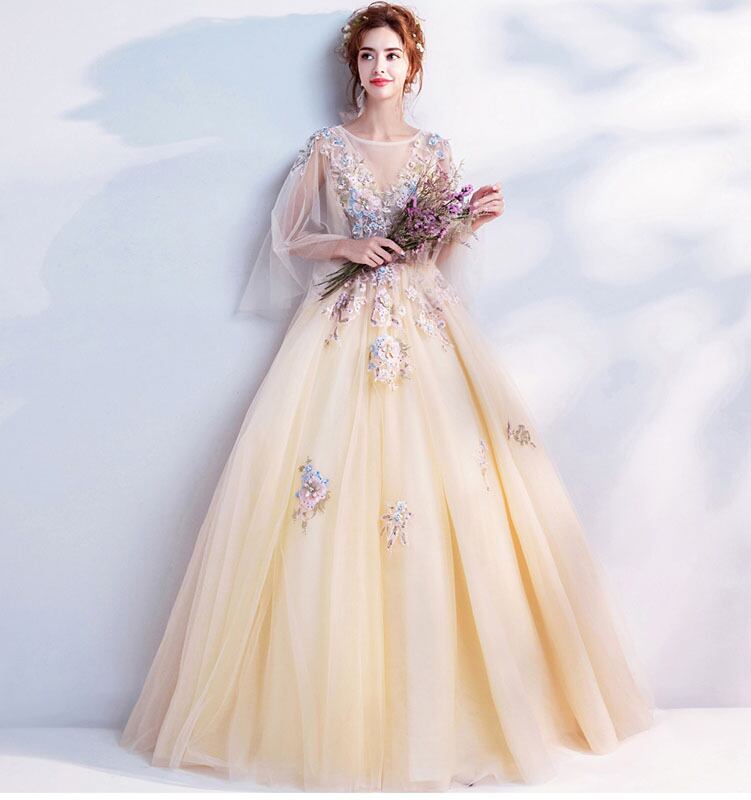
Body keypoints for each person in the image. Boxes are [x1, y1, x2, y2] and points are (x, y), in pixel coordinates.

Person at [119, 2, 655, 791]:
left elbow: (434, 252)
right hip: (341, 326)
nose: (379, 68)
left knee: (454, 488)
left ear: (413, 67)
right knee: (319, 490)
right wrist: (347, 242)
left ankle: (469, 703)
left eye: (391, 56)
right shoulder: (326, 148)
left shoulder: (433, 150)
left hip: (423, 325)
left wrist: (467, 220)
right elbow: (287, 236)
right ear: (355, 67)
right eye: (367, 55)